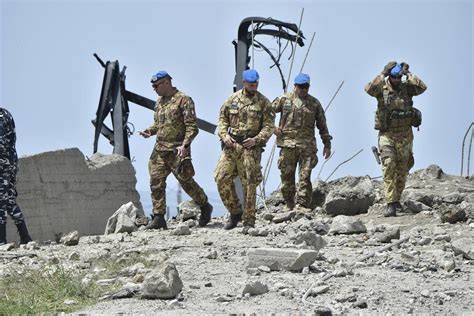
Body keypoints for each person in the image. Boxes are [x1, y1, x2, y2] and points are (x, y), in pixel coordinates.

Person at [140, 71, 213, 229]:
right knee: (156, 181)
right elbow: (158, 125)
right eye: (153, 86)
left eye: (156, 86)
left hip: (177, 150)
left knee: (186, 182)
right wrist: (150, 131)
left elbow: (192, 127)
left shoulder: (184, 100)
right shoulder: (159, 102)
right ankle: (159, 217)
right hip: (160, 149)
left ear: (167, 82)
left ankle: (205, 206)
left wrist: (185, 145)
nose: (154, 89)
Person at [214, 69, 275, 232]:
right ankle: (235, 212)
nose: (254, 87)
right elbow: (222, 120)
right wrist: (224, 135)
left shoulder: (263, 102)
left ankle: (249, 221)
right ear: (244, 83)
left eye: (256, 84)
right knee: (221, 177)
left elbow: (269, 126)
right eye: (251, 84)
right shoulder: (232, 100)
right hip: (232, 146)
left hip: (250, 147)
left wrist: (257, 139)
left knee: (249, 183)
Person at [365, 62, 427, 217]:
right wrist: (382, 74)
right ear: (390, 76)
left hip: (405, 135)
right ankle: (390, 203)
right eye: (394, 77)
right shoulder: (382, 89)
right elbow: (368, 89)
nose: (397, 80)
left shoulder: (407, 88)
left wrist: (409, 73)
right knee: (389, 165)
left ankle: (397, 199)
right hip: (387, 135)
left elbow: (422, 87)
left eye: (399, 77)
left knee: (403, 169)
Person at [272, 73, 332, 210]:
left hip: (307, 145)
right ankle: (289, 203)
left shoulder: (314, 103)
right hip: (287, 144)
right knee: (287, 177)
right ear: (295, 86)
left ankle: (302, 205)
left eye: (306, 87)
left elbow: (322, 125)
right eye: (301, 87)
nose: (303, 90)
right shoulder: (284, 99)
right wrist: (272, 128)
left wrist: (327, 144)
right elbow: (266, 112)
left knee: (305, 176)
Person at [0, 107, 32, 244]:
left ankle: (1, 241)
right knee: (10, 201)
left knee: (1, 202)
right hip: (11, 163)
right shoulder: (5, 113)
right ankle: (25, 237)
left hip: (3, 164)